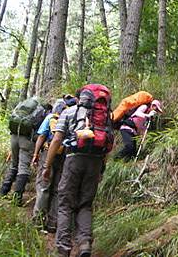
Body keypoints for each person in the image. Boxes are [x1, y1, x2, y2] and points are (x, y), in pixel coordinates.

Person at [43, 84, 113, 257]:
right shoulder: (105, 116)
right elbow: (109, 143)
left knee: (65, 204)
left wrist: (47, 166)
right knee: (86, 205)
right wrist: (101, 168)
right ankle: (84, 245)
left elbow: (57, 139)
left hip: (73, 158)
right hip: (96, 161)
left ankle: (63, 249)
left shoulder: (69, 112)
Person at [31, 96, 76, 232]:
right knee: (57, 189)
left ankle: (38, 223)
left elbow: (41, 136)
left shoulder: (51, 117)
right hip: (65, 156)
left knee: (43, 187)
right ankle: (52, 224)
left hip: (48, 152)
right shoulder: (73, 117)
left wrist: (35, 154)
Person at [0, 97, 51, 206]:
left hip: (14, 137)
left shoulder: (25, 110)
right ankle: (17, 198)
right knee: (23, 168)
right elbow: (41, 133)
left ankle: (3, 192)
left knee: (14, 165)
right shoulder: (44, 113)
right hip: (27, 140)